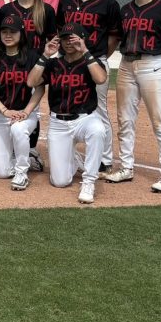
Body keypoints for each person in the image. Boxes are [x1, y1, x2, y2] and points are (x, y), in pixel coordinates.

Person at [104, 0, 161, 193]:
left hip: (153, 63)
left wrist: (159, 64)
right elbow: (118, 39)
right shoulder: (126, 10)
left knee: (160, 120)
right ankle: (126, 168)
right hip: (126, 64)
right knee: (125, 119)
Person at [27, 23, 108, 204]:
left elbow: (101, 79)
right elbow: (31, 82)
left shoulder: (91, 61)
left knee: (98, 130)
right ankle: (75, 160)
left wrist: (85, 51)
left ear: (81, 39)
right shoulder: (54, 64)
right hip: (58, 123)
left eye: (73, 38)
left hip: (85, 119)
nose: (68, 42)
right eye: (64, 38)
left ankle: (88, 182)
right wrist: (45, 55)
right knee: (60, 182)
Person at [56, 0, 121, 175]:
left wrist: (99, 56)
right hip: (68, 62)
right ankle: (69, 154)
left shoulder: (108, 3)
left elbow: (113, 37)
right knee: (67, 105)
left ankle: (105, 158)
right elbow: (60, 30)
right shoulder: (65, 1)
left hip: (94, 60)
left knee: (99, 109)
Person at [0, 0, 56, 170]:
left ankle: (30, 148)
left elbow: (52, 38)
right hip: (12, 63)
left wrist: (46, 60)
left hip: (35, 65)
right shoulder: (7, 10)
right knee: (11, 100)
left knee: (33, 108)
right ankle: (12, 144)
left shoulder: (46, 10)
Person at [0, 13, 45, 190]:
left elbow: (40, 88)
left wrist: (27, 111)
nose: (7, 35)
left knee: (18, 129)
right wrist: (4, 111)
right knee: (1, 172)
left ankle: (22, 172)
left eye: (13, 32)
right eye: (4, 32)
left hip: (25, 113)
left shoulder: (32, 57)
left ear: (21, 33)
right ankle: (29, 157)